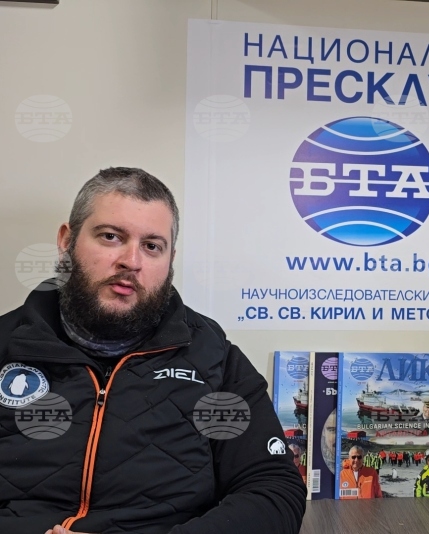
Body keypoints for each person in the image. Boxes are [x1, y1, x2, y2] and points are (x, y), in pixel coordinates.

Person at [0, 168, 306, 534]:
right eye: (111, 236)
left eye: (152, 246)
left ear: (170, 258)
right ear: (67, 240)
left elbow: (274, 492)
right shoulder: (6, 344)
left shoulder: (214, 360)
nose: (132, 261)